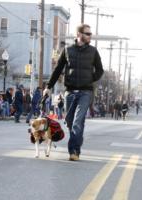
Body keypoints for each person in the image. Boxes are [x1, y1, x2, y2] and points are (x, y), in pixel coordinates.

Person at [43, 24, 104, 161]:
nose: (90, 36)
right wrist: (49, 86)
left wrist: (89, 80)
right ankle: (76, 145)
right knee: (70, 122)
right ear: (79, 34)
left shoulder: (93, 51)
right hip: (69, 92)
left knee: (77, 122)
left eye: (90, 33)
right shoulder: (67, 50)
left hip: (86, 92)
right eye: (87, 33)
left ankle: (74, 151)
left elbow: (100, 71)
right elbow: (58, 69)